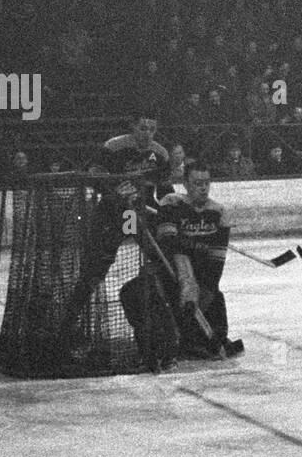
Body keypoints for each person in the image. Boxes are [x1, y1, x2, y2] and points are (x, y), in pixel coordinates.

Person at [56, 115, 169, 350]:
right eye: (142, 128)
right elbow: (94, 176)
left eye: (152, 129)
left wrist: (168, 209)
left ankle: (169, 322)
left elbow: (163, 188)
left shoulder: (160, 154)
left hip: (138, 215)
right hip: (112, 214)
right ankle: (67, 326)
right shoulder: (114, 147)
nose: (147, 133)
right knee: (95, 268)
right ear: (133, 128)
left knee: (162, 258)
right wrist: (115, 190)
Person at [155, 160, 243, 358]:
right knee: (176, 298)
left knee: (215, 298)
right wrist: (188, 279)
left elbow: (216, 262)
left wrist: (207, 290)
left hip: (202, 274)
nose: (203, 188)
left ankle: (212, 337)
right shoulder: (171, 203)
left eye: (206, 182)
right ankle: (183, 337)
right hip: (172, 272)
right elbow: (168, 245)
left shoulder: (218, 212)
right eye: (197, 183)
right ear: (185, 184)